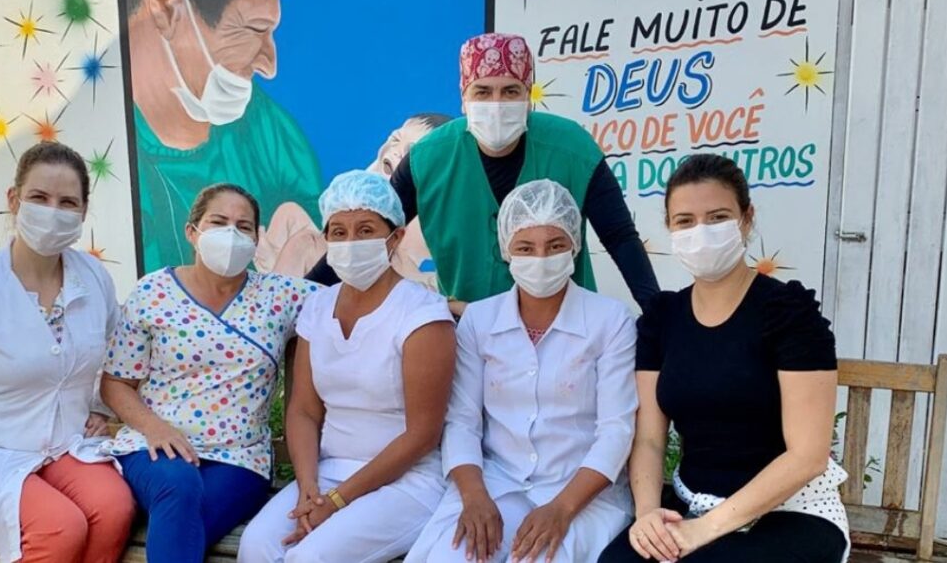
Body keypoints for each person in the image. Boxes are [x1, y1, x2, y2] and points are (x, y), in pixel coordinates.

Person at [598, 154, 850, 563]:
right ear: (669, 227)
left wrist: (704, 529)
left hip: (788, 510)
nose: (701, 233)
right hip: (689, 504)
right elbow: (649, 439)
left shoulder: (789, 314)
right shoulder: (663, 319)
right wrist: (646, 515)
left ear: (747, 219)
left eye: (717, 218)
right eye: (685, 221)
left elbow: (807, 456)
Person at [306, 33, 659, 314]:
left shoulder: (573, 149)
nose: (496, 103)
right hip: (464, 332)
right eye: (483, 91)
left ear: (528, 96)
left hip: (565, 330)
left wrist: (657, 312)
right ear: (464, 98)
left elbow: (620, 237)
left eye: (510, 91)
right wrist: (303, 295)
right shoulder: (427, 158)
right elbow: (369, 231)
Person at [407, 180, 637, 563]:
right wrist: (474, 497)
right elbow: (461, 421)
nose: (541, 258)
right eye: (526, 248)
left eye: (555, 245)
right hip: (497, 484)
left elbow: (616, 430)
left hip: (582, 493)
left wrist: (562, 508)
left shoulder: (610, 320)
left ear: (575, 247)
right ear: (506, 250)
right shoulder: (480, 321)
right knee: (452, 556)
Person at [0, 142, 134, 563]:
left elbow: (117, 350)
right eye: (39, 197)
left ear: (83, 210)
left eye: (67, 202)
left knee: (114, 508)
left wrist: (102, 408)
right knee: (60, 527)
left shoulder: (93, 277)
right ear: (13, 199)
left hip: (66, 445)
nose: (52, 212)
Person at [238, 171, 456, 562]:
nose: (351, 242)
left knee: (310, 558)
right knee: (257, 546)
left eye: (366, 230)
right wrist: (308, 486)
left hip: (408, 481)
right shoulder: (318, 306)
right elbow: (304, 410)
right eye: (338, 232)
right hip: (328, 471)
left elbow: (423, 434)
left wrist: (338, 500)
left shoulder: (421, 314)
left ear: (396, 237)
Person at [100, 183, 318, 563]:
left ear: (256, 239)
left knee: (183, 522)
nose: (231, 235)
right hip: (155, 447)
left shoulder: (282, 295)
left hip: (240, 460)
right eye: (218, 222)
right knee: (179, 486)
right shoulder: (153, 292)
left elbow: (349, 299)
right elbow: (116, 382)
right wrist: (155, 427)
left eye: (243, 226)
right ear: (192, 231)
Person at [124, 0, 322, 272]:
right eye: (255, 29)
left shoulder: (266, 133)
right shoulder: (103, 150)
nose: (269, 66)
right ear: (166, 6)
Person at [254, 113, 452, 283]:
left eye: (410, 153)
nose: (397, 150)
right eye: (395, 139)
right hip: (309, 284)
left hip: (397, 274)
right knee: (292, 218)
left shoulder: (420, 279)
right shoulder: (311, 245)